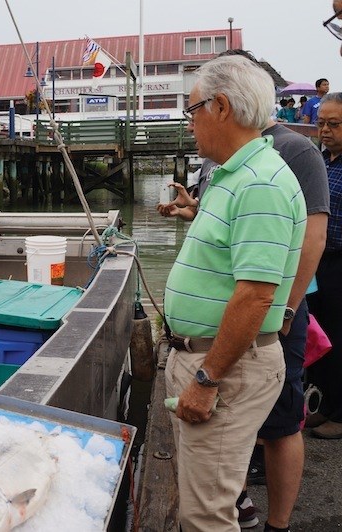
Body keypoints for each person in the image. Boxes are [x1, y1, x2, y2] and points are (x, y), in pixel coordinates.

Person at [164, 55, 306, 531]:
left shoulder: (260, 183)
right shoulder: (234, 175)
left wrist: (206, 380)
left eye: (192, 110)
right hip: (210, 360)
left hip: (224, 369)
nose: (189, 124)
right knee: (204, 499)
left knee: (206, 515)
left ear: (220, 107)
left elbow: (254, 296)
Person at [305, 93, 342, 439]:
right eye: (321, 123)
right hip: (319, 261)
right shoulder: (323, 161)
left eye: (334, 124)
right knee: (321, 337)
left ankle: (340, 415)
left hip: (338, 262)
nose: (325, 130)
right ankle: (325, 405)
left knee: (339, 337)